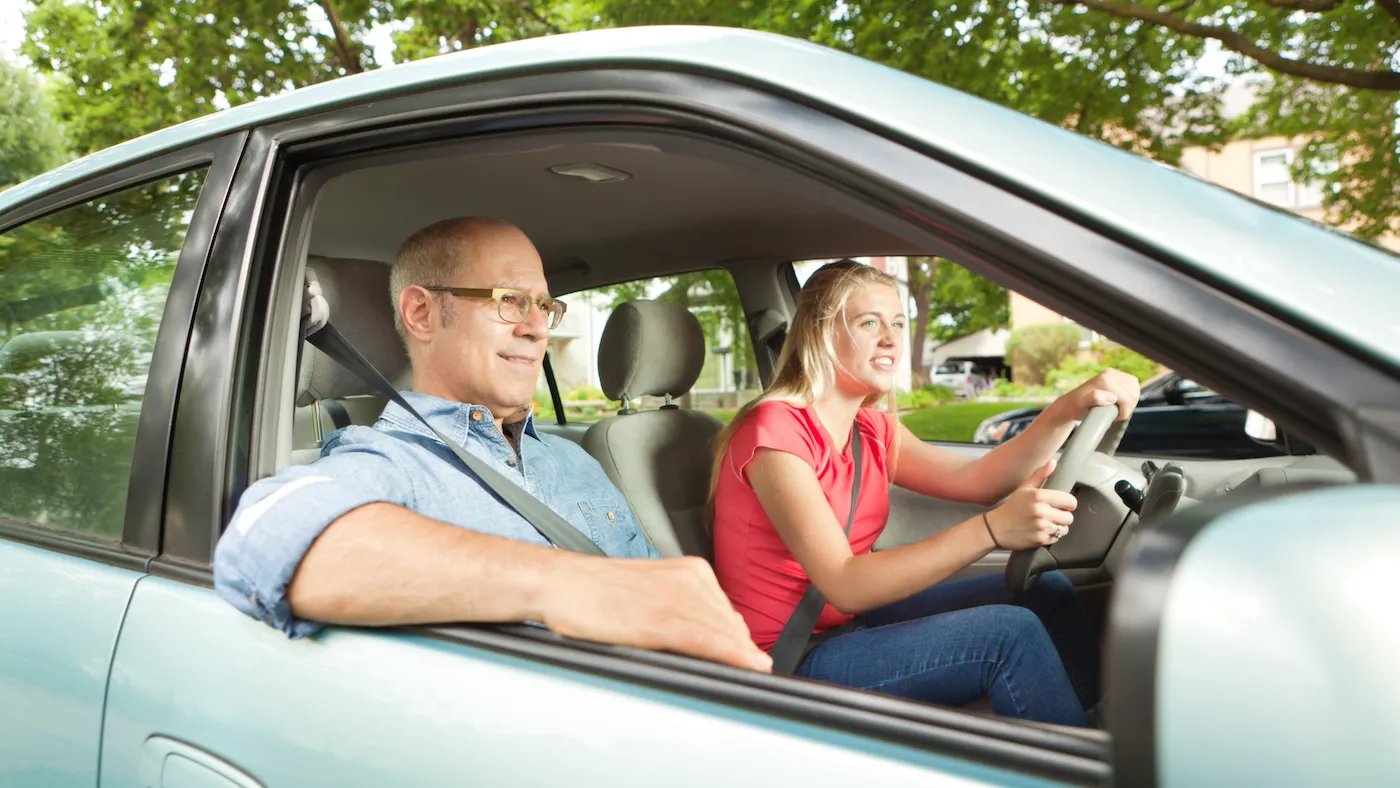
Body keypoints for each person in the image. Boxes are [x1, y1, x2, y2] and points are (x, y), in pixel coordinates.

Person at [213, 216, 771, 673]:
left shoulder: (573, 459)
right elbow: (264, 535)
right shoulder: (389, 463)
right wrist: (567, 584)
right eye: (510, 300)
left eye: (546, 307)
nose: (537, 328)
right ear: (422, 313)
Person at [710, 260, 1140, 725]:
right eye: (869, 322)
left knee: (1046, 592)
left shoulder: (870, 428)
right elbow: (846, 583)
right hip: (786, 660)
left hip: (849, 624)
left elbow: (980, 481)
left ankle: (1095, 734)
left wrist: (1065, 409)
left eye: (897, 323)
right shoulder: (775, 433)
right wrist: (995, 529)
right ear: (820, 332)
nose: (892, 339)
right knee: (1006, 636)